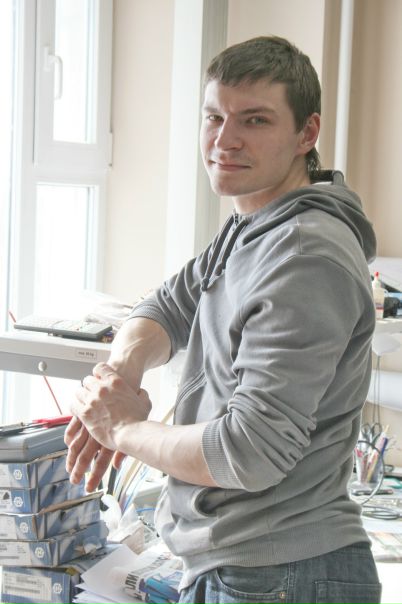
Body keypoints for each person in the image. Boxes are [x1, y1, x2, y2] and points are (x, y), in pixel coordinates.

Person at [65, 36, 382, 604]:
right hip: (247, 567)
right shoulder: (253, 227)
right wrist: (121, 376)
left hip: (281, 574)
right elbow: (165, 306)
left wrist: (124, 430)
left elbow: (249, 451)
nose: (225, 140)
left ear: (307, 133)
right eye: (214, 117)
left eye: (255, 120)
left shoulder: (303, 252)